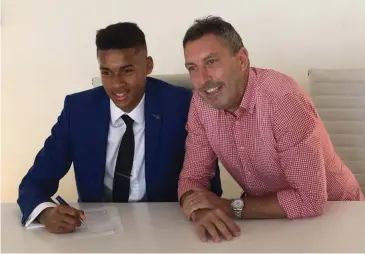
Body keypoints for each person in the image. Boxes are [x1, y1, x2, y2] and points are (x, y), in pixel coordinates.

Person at [17, 22, 222, 234]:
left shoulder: (183, 106)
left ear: (148, 66)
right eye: (106, 72)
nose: (116, 84)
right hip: (96, 230)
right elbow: (34, 182)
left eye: (127, 70)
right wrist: (46, 212)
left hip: (168, 229)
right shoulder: (78, 110)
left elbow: (208, 185)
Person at [178, 16, 364, 243]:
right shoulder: (201, 104)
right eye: (192, 68)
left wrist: (229, 206)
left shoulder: (283, 100)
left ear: (242, 60)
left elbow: (311, 200)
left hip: (340, 215)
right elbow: (192, 177)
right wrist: (201, 210)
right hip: (267, 218)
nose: (202, 80)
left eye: (212, 62)